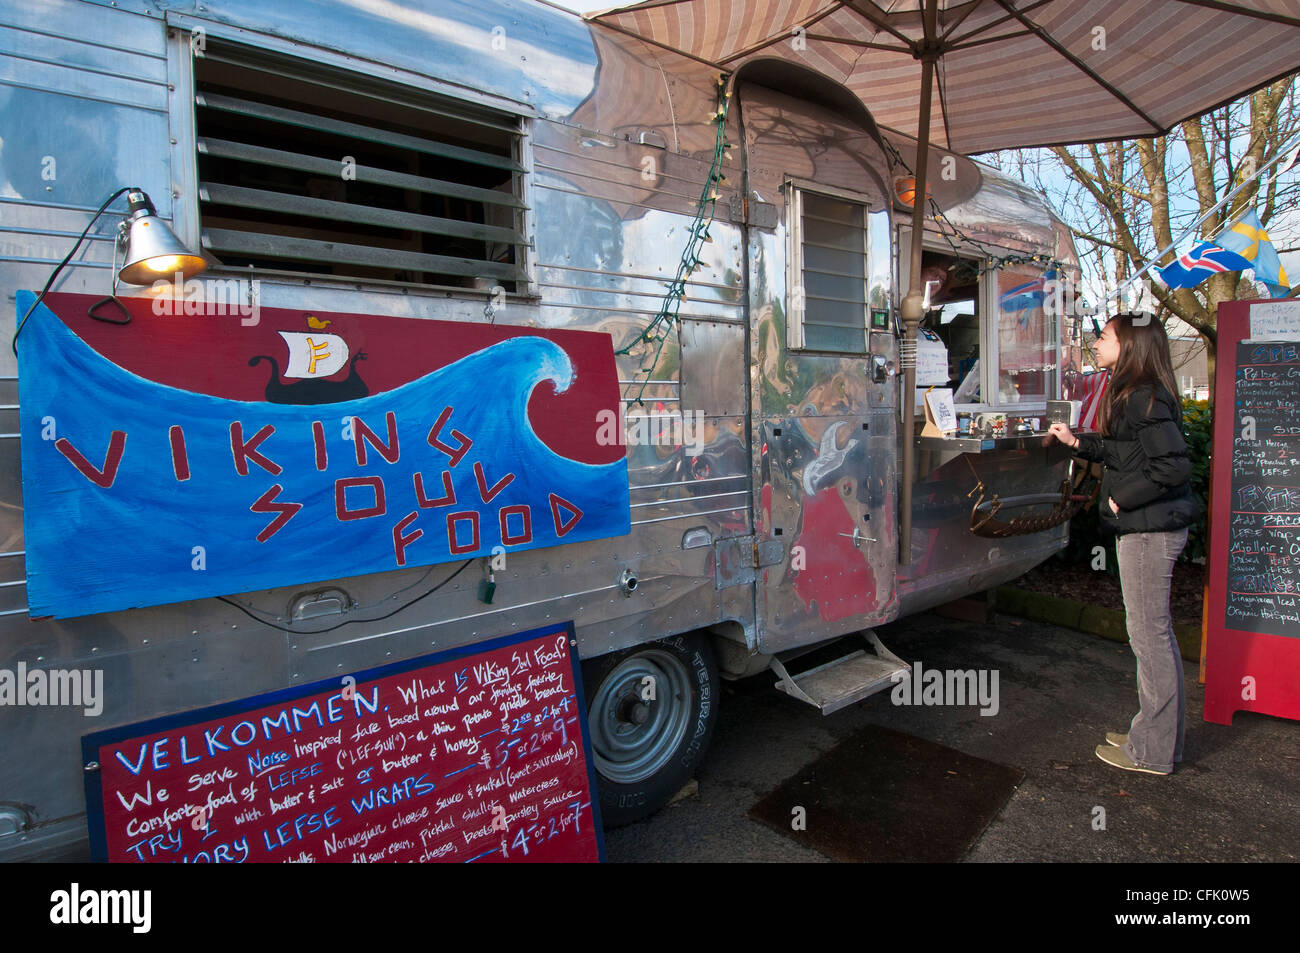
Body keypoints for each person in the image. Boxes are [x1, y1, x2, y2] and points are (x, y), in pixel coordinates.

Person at [1048, 313, 1200, 775]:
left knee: (1148, 636)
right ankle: (1158, 739)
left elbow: (1174, 469)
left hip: (1149, 530)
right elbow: (1128, 452)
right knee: (1155, 635)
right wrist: (1077, 442)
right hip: (1149, 526)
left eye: (1105, 336)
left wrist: (1120, 499)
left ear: (1129, 344)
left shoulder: (1141, 397)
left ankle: (1150, 752)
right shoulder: (1139, 392)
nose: (1096, 342)